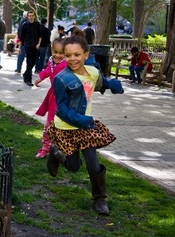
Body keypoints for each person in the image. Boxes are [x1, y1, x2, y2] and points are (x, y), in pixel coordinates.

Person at [46, 35, 124, 216]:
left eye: (77, 54)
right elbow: (62, 110)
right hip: (66, 128)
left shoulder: (92, 72)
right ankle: (56, 153)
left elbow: (99, 83)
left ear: (86, 55)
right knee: (73, 166)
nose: (72, 59)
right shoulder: (61, 79)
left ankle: (100, 199)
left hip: (85, 128)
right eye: (68, 55)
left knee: (92, 162)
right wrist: (82, 121)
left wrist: (114, 85)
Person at [33, 38, 67, 159]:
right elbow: (48, 71)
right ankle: (45, 148)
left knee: (63, 125)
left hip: (65, 98)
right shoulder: (51, 62)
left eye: (61, 52)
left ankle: (63, 150)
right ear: (51, 50)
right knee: (49, 124)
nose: (58, 55)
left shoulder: (67, 64)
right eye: (55, 51)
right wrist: (40, 77)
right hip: (53, 97)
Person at [18, 11, 42, 86]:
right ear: (27, 17)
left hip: (35, 46)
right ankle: (28, 80)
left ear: (34, 16)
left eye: (32, 15)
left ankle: (25, 74)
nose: (31, 17)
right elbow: (21, 38)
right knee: (29, 62)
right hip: (27, 46)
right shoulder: (25, 25)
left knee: (34, 62)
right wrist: (19, 48)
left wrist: (38, 44)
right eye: (29, 16)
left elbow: (40, 36)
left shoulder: (37, 24)